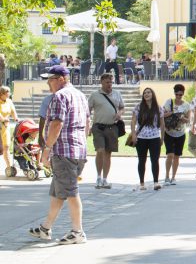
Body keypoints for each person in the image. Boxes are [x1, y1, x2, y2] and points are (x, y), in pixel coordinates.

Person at [30, 65, 90, 245]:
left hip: (64, 151)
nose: (48, 83)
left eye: (51, 79)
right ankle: (45, 228)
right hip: (78, 150)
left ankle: (78, 232)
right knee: (58, 191)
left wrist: (46, 150)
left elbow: (56, 124)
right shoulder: (80, 95)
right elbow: (88, 123)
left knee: (71, 192)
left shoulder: (59, 96)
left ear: (61, 79)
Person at [87, 72, 123, 189]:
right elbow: (87, 111)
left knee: (108, 153)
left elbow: (122, 107)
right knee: (100, 150)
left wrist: (119, 113)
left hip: (112, 127)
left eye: (111, 82)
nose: (109, 84)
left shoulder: (117, 94)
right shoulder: (94, 95)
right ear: (101, 82)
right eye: (107, 82)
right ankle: (98, 177)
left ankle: (105, 179)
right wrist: (88, 125)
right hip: (98, 127)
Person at [129, 87, 163, 190]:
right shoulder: (138, 107)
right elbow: (133, 121)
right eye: (145, 93)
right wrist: (133, 134)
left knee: (155, 160)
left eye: (148, 92)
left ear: (152, 94)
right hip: (141, 138)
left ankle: (156, 182)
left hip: (155, 137)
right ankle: (142, 183)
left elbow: (162, 124)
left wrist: (162, 137)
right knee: (141, 160)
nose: (146, 94)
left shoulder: (158, 108)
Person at [161, 83, 190, 185]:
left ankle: (173, 177)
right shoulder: (169, 102)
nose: (178, 96)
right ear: (174, 93)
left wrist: (182, 117)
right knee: (170, 155)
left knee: (177, 156)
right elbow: (161, 114)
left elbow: (188, 120)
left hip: (180, 133)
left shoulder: (186, 105)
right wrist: (171, 113)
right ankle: (166, 176)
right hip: (169, 132)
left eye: (180, 95)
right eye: (177, 94)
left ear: (183, 94)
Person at [0, 85, 17, 175]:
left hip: (5, 126)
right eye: (8, 92)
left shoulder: (9, 101)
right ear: (2, 94)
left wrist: (16, 118)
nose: (9, 94)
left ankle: (9, 167)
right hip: (2, 123)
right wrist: (3, 119)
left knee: (6, 146)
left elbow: (13, 111)